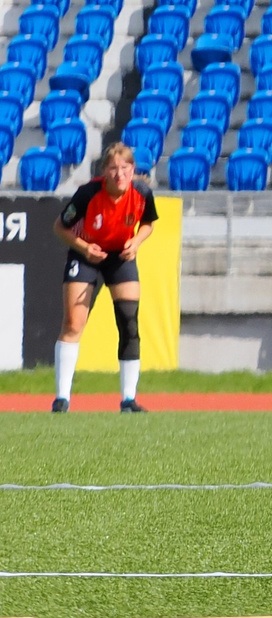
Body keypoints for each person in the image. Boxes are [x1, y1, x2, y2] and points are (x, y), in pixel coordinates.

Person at [54, 142, 158, 414]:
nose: (119, 174)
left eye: (125, 168)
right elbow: (60, 227)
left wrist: (136, 242)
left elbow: (148, 224)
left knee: (129, 321)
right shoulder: (88, 193)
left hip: (120, 255)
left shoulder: (142, 193)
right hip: (86, 254)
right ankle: (62, 398)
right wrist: (84, 248)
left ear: (133, 169)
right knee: (74, 322)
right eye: (113, 168)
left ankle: (128, 399)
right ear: (104, 171)